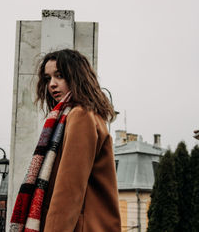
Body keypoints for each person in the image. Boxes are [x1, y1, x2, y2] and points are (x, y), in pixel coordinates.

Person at [10, 49, 121, 232]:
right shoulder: (76, 116)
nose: (52, 84)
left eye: (59, 76)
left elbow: (69, 192)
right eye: (48, 78)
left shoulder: (80, 116)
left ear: (76, 77)